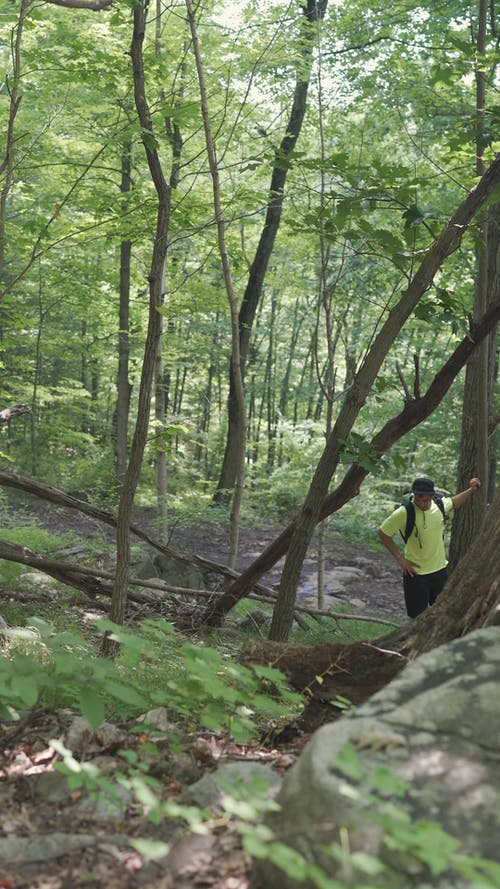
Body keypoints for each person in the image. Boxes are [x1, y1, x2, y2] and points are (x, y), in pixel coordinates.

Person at [378, 475, 481, 618]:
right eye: (418, 498)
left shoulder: (439, 505)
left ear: (432, 496)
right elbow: (383, 533)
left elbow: (454, 502)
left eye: (426, 499)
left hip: (440, 571)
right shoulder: (404, 512)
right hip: (415, 574)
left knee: (442, 613)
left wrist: (471, 490)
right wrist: (400, 559)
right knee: (416, 617)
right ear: (414, 495)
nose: (422, 503)